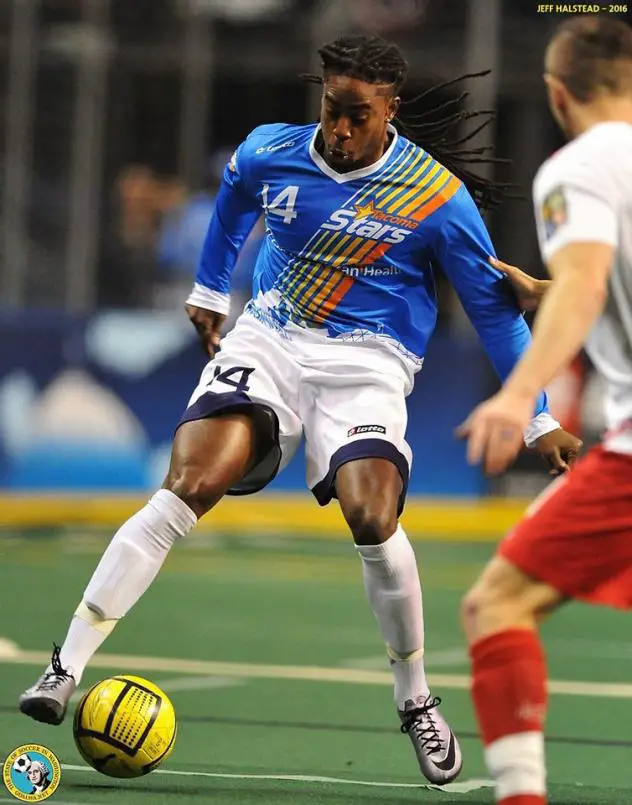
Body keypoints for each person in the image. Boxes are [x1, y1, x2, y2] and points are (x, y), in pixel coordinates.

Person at [18, 34, 580, 786]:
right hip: (274, 336)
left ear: (391, 110)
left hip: (370, 364)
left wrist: (538, 418)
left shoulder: (436, 199)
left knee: (372, 517)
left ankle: (415, 700)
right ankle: (64, 667)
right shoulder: (271, 151)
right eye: (330, 111)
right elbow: (232, 203)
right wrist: (212, 290)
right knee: (186, 486)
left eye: (357, 116)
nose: (339, 132)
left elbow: (497, 314)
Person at [458, 15, 632, 805]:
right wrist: (545, 289)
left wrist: (516, 388)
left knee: (496, 603)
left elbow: (593, 282)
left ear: (558, 95)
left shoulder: (580, 167)